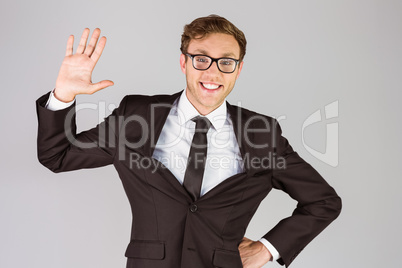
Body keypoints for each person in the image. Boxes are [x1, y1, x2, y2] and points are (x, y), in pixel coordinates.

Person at [36, 15, 341, 268]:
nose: (213, 71)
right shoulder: (136, 116)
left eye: (226, 62)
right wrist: (64, 95)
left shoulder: (262, 133)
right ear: (184, 63)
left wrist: (268, 248)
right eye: (201, 59)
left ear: (239, 69)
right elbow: (58, 156)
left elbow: (323, 201)